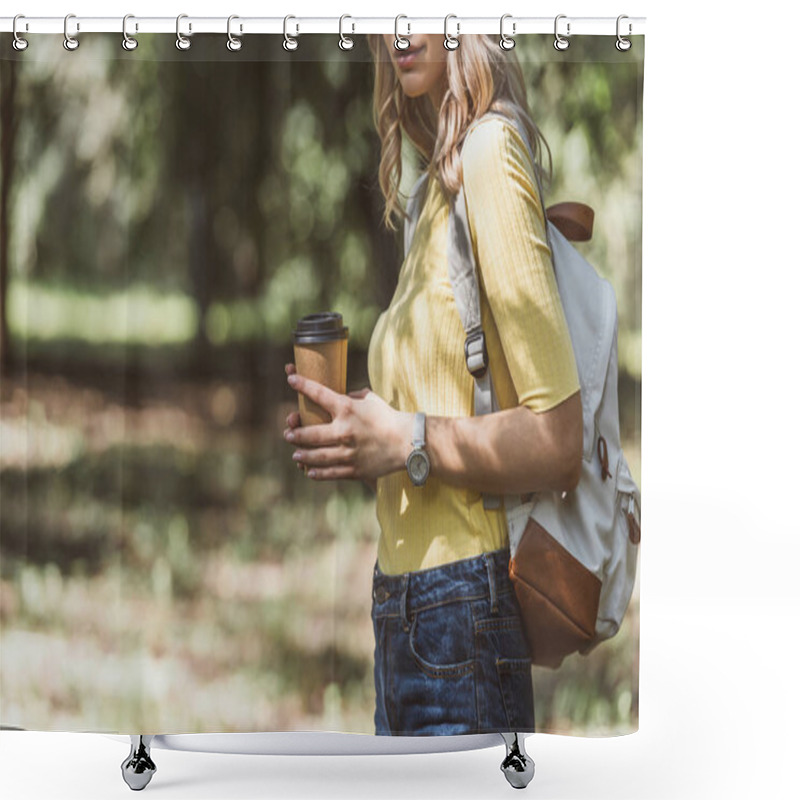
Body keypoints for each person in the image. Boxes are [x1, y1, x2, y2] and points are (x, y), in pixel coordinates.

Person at [283, 33, 582, 735]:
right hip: (404, 611)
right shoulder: (432, 190)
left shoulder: (489, 155)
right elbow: (437, 416)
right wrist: (363, 433)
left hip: (465, 613)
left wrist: (407, 437)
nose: (398, 30)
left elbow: (558, 439)